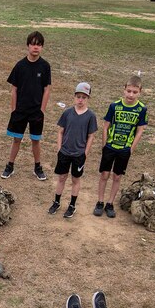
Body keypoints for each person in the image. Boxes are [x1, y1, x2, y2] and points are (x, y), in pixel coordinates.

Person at [94, 75, 147, 218]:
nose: (131, 95)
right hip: (110, 147)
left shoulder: (141, 109)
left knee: (117, 177)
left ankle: (110, 203)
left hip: (124, 149)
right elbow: (105, 126)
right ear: (124, 90)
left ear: (140, 92)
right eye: (128, 91)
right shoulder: (114, 106)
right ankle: (100, 201)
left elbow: (140, 130)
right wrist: (104, 145)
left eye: (134, 92)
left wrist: (131, 148)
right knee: (104, 174)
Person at [2, 31, 52, 181]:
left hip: (36, 111)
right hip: (21, 110)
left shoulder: (45, 66)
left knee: (35, 140)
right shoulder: (20, 66)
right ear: (28, 45)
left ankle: (38, 167)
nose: (36, 47)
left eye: (39, 44)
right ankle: (10, 165)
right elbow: (14, 89)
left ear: (42, 47)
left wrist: (42, 110)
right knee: (16, 139)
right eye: (33, 44)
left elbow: (47, 89)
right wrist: (13, 110)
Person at [49, 82, 99, 219]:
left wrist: (85, 153)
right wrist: (59, 149)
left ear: (88, 98)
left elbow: (91, 136)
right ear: (74, 97)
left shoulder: (90, 116)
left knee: (75, 179)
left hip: (78, 155)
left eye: (84, 97)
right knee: (62, 178)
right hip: (64, 152)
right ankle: (57, 202)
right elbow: (60, 132)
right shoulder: (67, 113)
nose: (80, 100)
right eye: (78, 96)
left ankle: (72, 205)